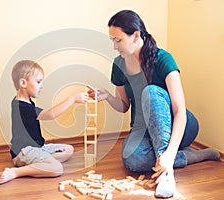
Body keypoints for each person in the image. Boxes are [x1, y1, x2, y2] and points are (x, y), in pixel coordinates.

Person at [88, 10, 220, 198]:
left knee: (150, 92)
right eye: (112, 41)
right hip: (145, 131)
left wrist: (169, 151)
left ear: (135, 35)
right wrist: (108, 96)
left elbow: (180, 111)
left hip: (181, 124)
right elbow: (124, 106)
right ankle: (191, 156)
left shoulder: (163, 59)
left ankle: (167, 173)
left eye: (118, 40)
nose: (115, 47)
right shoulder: (119, 65)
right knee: (131, 159)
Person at [0, 60, 88, 185]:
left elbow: (46, 114)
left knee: (69, 150)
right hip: (24, 151)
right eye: (38, 82)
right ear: (23, 83)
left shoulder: (24, 101)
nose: (42, 86)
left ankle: (41, 163)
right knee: (57, 169)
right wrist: (72, 99)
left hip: (38, 147)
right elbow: (50, 114)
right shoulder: (22, 107)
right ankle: (16, 172)